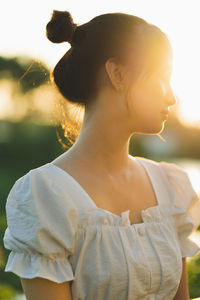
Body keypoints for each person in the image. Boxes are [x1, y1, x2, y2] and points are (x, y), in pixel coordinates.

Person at [3, 9, 200, 300]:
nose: (171, 96)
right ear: (117, 74)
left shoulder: (170, 186)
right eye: (162, 77)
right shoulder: (45, 196)